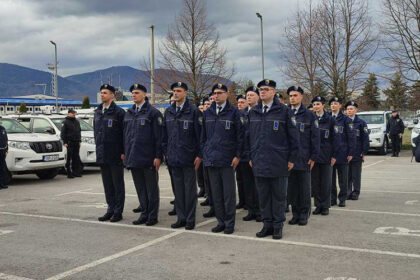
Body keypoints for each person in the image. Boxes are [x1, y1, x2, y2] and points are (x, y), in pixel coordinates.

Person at [248, 79, 299, 239]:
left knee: (278, 197)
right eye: (260, 89)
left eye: (266, 89)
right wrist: (251, 156)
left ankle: (278, 226)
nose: (262, 92)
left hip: (278, 161)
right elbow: (248, 137)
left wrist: (291, 158)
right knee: (263, 196)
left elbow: (294, 138)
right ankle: (267, 224)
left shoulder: (284, 111)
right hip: (259, 161)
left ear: (273, 92)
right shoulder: (254, 112)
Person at [201, 83, 244, 234]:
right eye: (214, 93)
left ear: (226, 94)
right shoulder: (208, 113)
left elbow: (240, 137)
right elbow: (203, 137)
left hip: (227, 160)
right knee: (216, 194)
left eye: (220, 93)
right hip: (211, 159)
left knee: (228, 195)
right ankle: (220, 221)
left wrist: (238, 155)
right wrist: (205, 153)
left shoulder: (234, 113)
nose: (216, 95)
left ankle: (229, 223)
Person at [163, 82, 202, 230]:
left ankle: (190, 219)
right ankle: (181, 217)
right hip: (173, 158)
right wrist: (166, 152)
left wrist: (199, 155)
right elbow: (164, 135)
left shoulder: (193, 111)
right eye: (174, 91)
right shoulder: (169, 112)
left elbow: (200, 136)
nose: (176, 93)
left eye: (179, 91)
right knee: (178, 191)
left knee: (190, 191)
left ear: (185, 93)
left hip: (189, 158)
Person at [124, 83, 162, 226]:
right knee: (140, 189)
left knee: (151, 189)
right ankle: (144, 213)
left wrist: (158, 156)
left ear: (144, 95)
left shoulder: (153, 113)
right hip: (134, 157)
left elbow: (159, 137)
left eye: (137, 93)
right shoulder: (129, 113)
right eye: (133, 93)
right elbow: (126, 136)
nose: (134, 95)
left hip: (148, 158)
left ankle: (152, 215)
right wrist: (125, 153)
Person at [287, 86, 320, 226]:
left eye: (295, 95)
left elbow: (315, 137)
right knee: (292, 189)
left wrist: (313, 156)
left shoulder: (309, 115)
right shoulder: (286, 113)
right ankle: (295, 214)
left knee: (304, 189)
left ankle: (304, 214)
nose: (292, 98)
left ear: (301, 96)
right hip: (290, 159)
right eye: (290, 95)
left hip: (304, 157)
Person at [94, 84, 126, 223]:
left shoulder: (119, 113)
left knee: (117, 185)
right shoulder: (98, 112)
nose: (102, 95)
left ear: (112, 95)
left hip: (115, 154)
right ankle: (110, 209)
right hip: (102, 154)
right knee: (107, 185)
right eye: (101, 92)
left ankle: (118, 211)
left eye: (105, 93)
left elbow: (124, 135)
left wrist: (123, 152)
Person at [311, 96, 339, 216]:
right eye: (314, 104)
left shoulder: (330, 120)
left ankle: (325, 205)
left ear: (323, 105)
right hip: (314, 157)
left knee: (326, 183)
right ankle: (318, 205)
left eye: (318, 104)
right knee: (315, 183)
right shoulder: (311, 118)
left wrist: (334, 155)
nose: (316, 106)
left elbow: (336, 139)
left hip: (327, 156)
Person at [329, 97, 355, 207]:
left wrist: (351, 152)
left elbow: (351, 137)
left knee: (343, 179)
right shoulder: (327, 118)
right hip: (330, 154)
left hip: (343, 153)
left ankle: (342, 198)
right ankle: (332, 199)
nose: (333, 106)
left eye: (335, 104)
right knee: (330, 179)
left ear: (340, 106)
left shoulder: (346, 120)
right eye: (331, 104)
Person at [345, 101, 369, 200]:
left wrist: (364, 152)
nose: (349, 111)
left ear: (356, 110)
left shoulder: (361, 123)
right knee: (347, 174)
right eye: (348, 109)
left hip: (357, 152)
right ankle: (347, 191)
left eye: (351, 109)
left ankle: (356, 192)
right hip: (345, 153)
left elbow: (365, 138)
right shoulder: (343, 121)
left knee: (356, 174)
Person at [61, 109, 82, 178]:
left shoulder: (77, 121)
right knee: (69, 158)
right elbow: (63, 133)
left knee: (76, 157)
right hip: (69, 142)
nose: (74, 114)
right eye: (72, 113)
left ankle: (76, 172)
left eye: (74, 113)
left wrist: (79, 140)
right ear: (69, 113)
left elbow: (79, 131)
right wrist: (65, 142)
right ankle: (69, 173)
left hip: (76, 142)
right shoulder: (65, 122)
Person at [235, 94, 248, 210]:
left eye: (242, 102)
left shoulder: (247, 115)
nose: (240, 104)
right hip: (238, 154)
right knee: (239, 179)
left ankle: (249, 202)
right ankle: (242, 200)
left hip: (246, 153)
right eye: (238, 102)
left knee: (248, 181)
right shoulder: (236, 115)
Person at [0, 117, 8, 190]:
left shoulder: (3, 128)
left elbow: (6, 139)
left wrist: (6, 150)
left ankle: (2, 184)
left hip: (3, 151)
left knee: (2, 168)